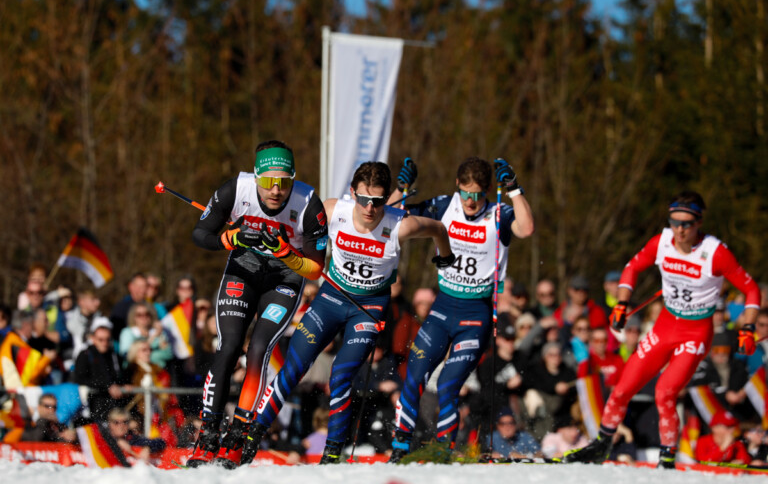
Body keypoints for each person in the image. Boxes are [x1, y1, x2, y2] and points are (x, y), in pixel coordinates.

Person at [239, 161, 454, 467]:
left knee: (341, 376)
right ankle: (252, 437)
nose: (369, 208)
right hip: (331, 298)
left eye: (378, 202)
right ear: (352, 192)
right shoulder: (332, 209)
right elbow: (288, 220)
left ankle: (332, 454)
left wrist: (444, 258)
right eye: (364, 199)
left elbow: (438, 229)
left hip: (367, 309)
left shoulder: (400, 224)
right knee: (292, 369)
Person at [563, 191, 762, 469]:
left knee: (664, 393)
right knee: (622, 389)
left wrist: (748, 326)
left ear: (699, 223)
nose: (679, 230)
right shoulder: (662, 242)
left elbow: (751, 289)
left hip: (695, 332)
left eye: (686, 224)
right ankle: (600, 445)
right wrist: (622, 303)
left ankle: (666, 458)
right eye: (674, 222)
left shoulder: (715, 252)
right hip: (665, 326)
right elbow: (632, 268)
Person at [186, 140, 329, 467]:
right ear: (256, 177)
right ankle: (208, 433)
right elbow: (200, 233)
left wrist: (286, 254)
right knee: (229, 346)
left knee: (259, 349)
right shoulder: (237, 189)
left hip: (285, 280)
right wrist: (231, 238)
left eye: (284, 182)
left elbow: (316, 267)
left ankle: (237, 436)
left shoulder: (309, 204)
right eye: (267, 182)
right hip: (243, 272)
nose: (276, 190)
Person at [387, 156, 534, 462]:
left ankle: (443, 451)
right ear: (457, 187)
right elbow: (391, 217)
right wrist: (402, 187)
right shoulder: (445, 205)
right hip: (442, 309)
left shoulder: (498, 213)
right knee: (414, 376)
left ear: (487, 192)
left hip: (475, 315)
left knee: (448, 385)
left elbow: (527, 228)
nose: (471, 201)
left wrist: (514, 189)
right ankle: (400, 447)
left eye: (478, 194)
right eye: (466, 193)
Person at [73, 321, 129, 423]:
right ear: (93, 338)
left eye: (108, 339)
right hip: (93, 404)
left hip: (113, 405)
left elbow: (119, 376)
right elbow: (80, 378)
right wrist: (107, 386)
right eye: (101, 340)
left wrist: (124, 386)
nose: (105, 343)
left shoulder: (114, 355)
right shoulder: (85, 354)